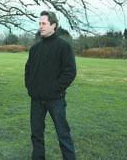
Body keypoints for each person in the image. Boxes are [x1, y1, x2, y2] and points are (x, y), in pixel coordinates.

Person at [24, 11, 77, 160]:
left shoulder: (63, 46)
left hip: (56, 100)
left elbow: (70, 72)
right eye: (39, 23)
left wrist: (55, 89)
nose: (40, 26)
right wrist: (30, 87)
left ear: (53, 25)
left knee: (63, 134)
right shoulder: (35, 49)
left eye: (44, 23)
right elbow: (28, 70)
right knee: (36, 135)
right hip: (36, 100)